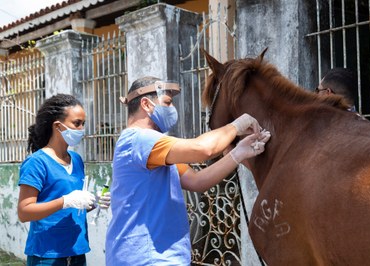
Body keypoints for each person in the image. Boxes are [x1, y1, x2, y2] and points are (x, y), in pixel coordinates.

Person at [105, 77, 271, 266]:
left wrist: (237, 153)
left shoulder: (156, 149)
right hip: (146, 258)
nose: (171, 109)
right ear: (146, 104)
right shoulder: (139, 139)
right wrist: (236, 126)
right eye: (167, 103)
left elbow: (197, 181)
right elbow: (203, 149)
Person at [18, 94, 111, 266]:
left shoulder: (76, 160)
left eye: (83, 124)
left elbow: (73, 208)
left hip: (77, 251)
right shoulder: (37, 162)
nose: (82, 129)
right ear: (58, 126)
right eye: (77, 123)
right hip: (47, 255)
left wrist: (93, 202)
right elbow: (25, 212)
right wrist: (65, 201)